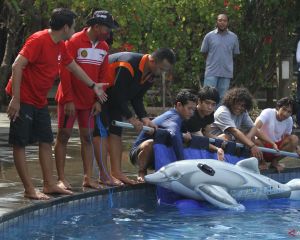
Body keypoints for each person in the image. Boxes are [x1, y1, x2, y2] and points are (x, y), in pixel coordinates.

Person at [5, 8, 107, 200]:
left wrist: (93, 86)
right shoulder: (38, 40)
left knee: (46, 141)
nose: (75, 29)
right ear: (66, 27)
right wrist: (15, 99)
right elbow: (17, 65)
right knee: (20, 143)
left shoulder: (60, 45)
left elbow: (74, 68)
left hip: (39, 100)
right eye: (74, 26)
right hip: (24, 98)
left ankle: (49, 184)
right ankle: (29, 189)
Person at [54, 10, 119, 190]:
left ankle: (88, 177)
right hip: (70, 99)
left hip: (89, 101)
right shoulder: (74, 40)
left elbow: (103, 75)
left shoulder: (104, 47)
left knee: (87, 137)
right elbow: (65, 70)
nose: (109, 32)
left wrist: (99, 100)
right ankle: (60, 178)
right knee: (64, 136)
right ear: (96, 26)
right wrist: (68, 99)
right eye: (107, 28)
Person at [94, 48, 176, 184]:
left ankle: (117, 173)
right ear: (152, 61)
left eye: (165, 71)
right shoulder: (127, 64)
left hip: (114, 98)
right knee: (101, 134)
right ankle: (104, 175)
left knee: (115, 133)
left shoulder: (151, 74)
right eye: (162, 69)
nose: (162, 73)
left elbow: (137, 98)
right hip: (100, 95)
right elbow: (117, 94)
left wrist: (144, 118)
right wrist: (131, 118)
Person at [129, 90, 197, 182]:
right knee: (150, 143)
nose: (192, 112)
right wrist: (182, 166)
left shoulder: (181, 118)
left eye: (193, 109)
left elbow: (173, 134)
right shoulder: (173, 117)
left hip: (155, 154)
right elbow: (174, 135)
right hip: (137, 154)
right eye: (189, 108)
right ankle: (142, 172)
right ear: (179, 105)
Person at [210, 87, 278, 164]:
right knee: (229, 137)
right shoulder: (223, 111)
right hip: (214, 144)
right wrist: (252, 145)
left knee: (252, 136)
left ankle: (256, 163)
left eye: (243, 105)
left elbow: (254, 128)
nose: (239, 107)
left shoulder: (243, 112)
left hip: (231, 144)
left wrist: (272, 143)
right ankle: (251, 162)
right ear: (231, 101)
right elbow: (234, 131)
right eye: (237, 104)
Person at [254, 97, 300, 172]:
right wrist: (271, 143)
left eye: (289, 112)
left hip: (276, 149)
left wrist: (297, 147)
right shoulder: (268, 112)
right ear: (278, 107)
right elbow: (255, 128)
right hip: (262, 148)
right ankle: (262, 162)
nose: (285, 114)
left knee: (294, 139)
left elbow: (287, 137)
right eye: (284, 109)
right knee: (256, 141)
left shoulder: (289, 120)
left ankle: (275, 162)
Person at [200, 13, 240, 102]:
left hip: (226, 72)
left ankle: (217, 116)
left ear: (228, 22)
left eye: (224, 20)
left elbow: (235, 54)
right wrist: (211, 62)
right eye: (220, 20)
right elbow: (204, 52)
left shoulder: (234, 37)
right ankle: (207, 116)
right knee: (207, 95)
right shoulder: (209, 36)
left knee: (222, 98)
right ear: (216, 22)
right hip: (211, 71)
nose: (222, 22)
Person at [181, 86, 224, 160]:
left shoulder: (209, 114)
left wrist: (222, 140)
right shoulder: (192, 114)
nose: (210, 107)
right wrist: (217, 149)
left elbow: (206, 133)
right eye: (207, 103)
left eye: (213, 104)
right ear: (199, 101)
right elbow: (202, 140)